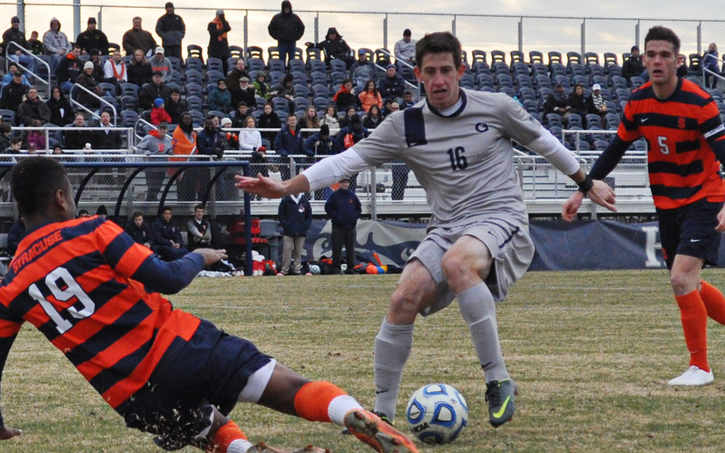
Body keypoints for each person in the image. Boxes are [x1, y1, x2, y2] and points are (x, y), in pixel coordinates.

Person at [236, 31, 614, 428]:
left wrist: (586, 183)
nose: (438, 80)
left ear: (460, 71)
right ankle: (381, 414)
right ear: (416, 74)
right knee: (403, 298)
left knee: (457, 263)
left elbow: (544, 142)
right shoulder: (406, 125)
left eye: (446, 71)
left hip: (501, 218)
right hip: (447, 227)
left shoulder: (496, 108)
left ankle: (497, 378)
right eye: (430, 72)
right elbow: (344, 162)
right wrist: (284, 186)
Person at [0, 157, 421, 453]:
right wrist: (199, 256)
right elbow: (165, 278)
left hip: (132, 397)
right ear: (59, 198)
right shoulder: (92, 230)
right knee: (288, 388)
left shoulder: (10, 286)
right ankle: (352, 415)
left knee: (209, 430)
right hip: (178, 347)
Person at [562, 25, 725, 387]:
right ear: (643, 60)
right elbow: (616, 149)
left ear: (677, 61)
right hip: (667, 202)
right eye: (651, 54)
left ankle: (700, 367)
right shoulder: (638, 102)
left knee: (681, 277)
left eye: (664, 55)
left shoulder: (700, 102)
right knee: (690, 283)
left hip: (705, 198)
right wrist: (582, 189)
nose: (657, 60)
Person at [324, 177, 361, 274]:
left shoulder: (352, 196)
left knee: (351, 248)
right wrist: (336, 217)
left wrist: (354, 218)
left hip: (350, 227)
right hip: (338, 227)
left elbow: (358, 209)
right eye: (343, 182)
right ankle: (336, 268)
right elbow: (328, 208)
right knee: (337, 248)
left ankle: (351, 267)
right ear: (339, 183)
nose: (345, 184)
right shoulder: (334, 196)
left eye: (347, 182)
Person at [135, 121, 172, 201]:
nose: (162, 130)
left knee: (159, 184)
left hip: (162, 166)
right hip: (150, 165)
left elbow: (169, 149)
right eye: (160, 129)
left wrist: (170, 152)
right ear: (158, 129)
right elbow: (140, 148)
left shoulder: (168, 140)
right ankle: (150, 199)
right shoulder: (149, 138)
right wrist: (147, 153)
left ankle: (153, 198)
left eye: (164, 129)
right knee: (151, 184)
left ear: (166, 130)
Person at [277, 192, 312, 276]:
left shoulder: (305, 201)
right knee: (287, 250)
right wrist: (286, 225)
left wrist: (304, 226)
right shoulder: (286, 200)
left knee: (298, 251)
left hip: (301, 231)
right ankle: (285, 269)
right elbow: (281, 215)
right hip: (288, 231)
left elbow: (309, 216)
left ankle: (297, 269)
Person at [267, 0, 304, 65]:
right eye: (285, 8)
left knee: (292, 60)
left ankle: (291, 73)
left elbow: (302, 27)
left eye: (288, 8)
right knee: (282, 60)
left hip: (292, 42)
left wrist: (297, 37)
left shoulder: (295, 17)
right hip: (282, 42)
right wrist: (277, 36)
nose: (287, 9)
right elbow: (271, 28)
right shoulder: (277, 18)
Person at [207, 10, 231, 75]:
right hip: (215, 46)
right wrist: (222, 30)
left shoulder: (224, 23)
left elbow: (228, 28)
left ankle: (224, 75)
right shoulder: (212, 24)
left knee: (225, 62)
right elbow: (213, 33)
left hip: (223, 47)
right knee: (215, 61)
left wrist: (223, 20)